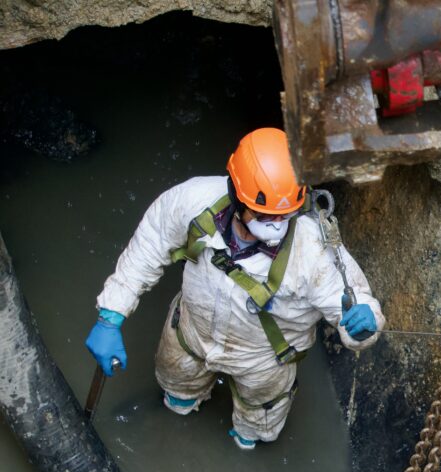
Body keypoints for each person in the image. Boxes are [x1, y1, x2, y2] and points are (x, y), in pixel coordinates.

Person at [85, 127, 383, 450]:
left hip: (264, 361)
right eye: (264, 215)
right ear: (237, 196)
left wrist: (363, 326)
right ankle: (179, 414)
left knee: (254, 431)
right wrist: (111, 315)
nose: (276, 225)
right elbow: (148, 246)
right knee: (177, 394)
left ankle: (245, 442)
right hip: (191, 333)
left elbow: (353, 304)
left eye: (284, 215)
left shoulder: (313, 248)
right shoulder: (194, 202)